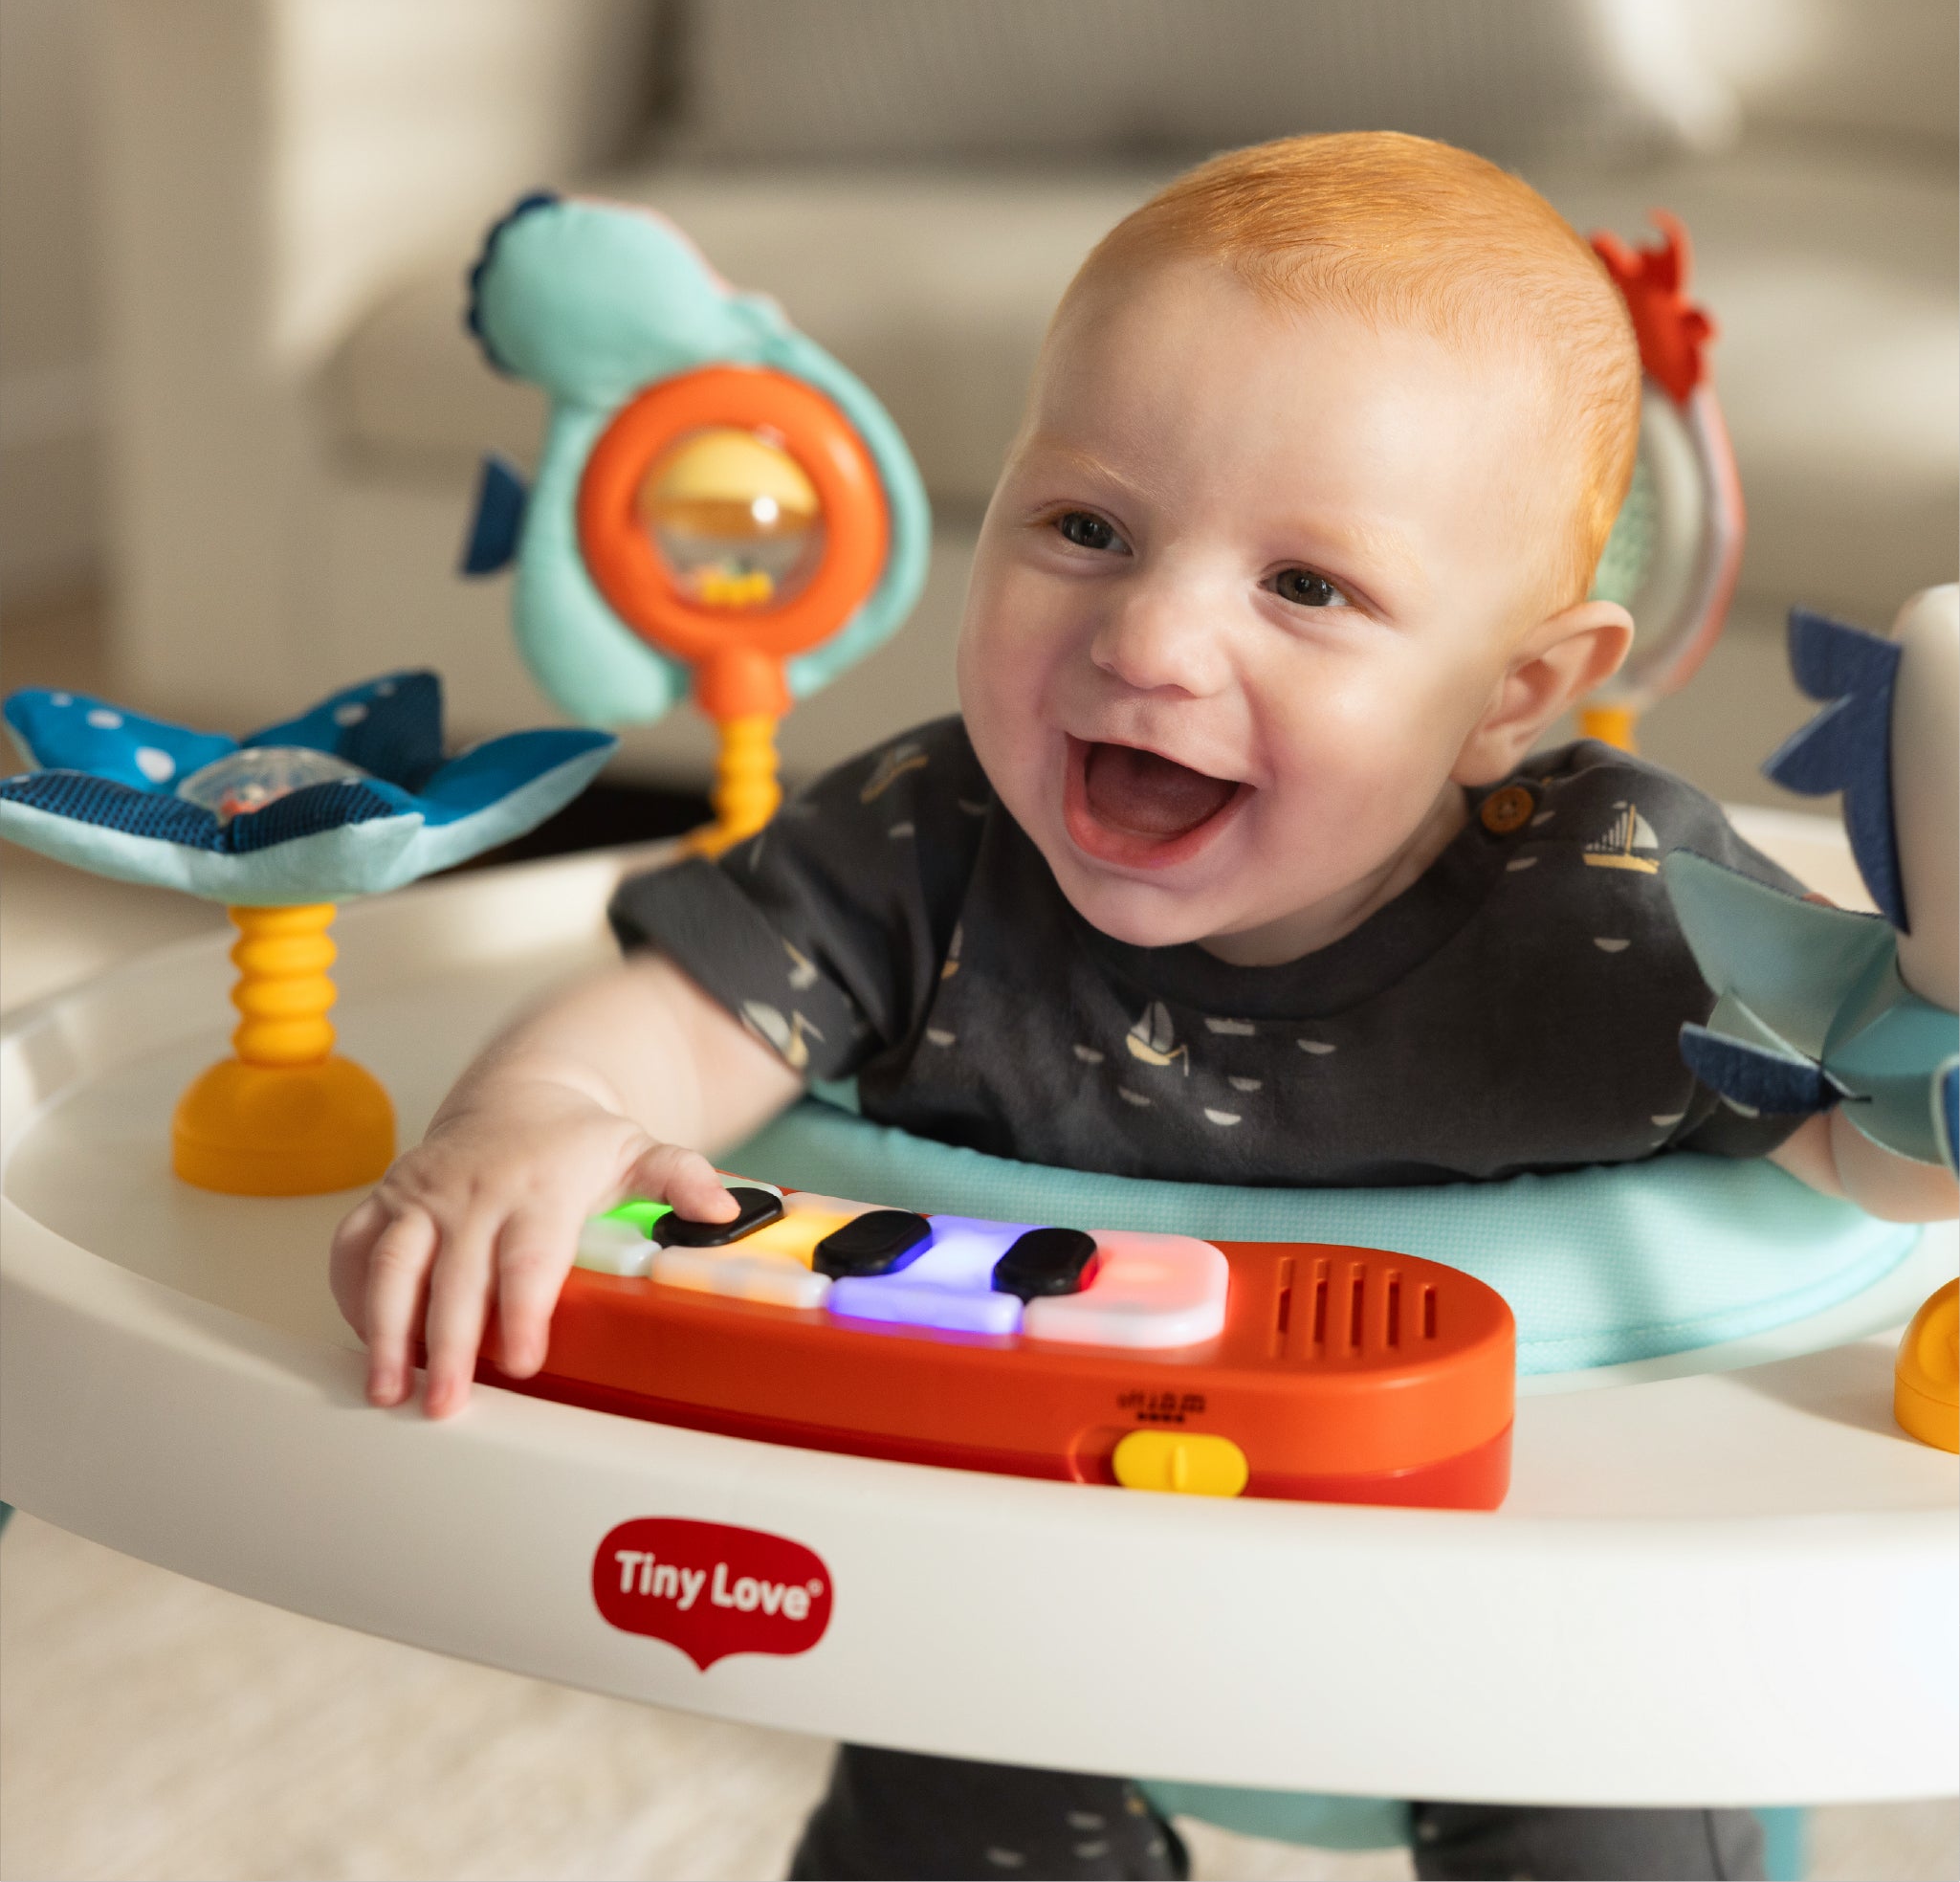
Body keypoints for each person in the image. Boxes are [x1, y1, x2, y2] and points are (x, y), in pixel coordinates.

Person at [330, 133, 1956, 1881]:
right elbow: (674, 1019)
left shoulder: (1622, 910)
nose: (1149, 637)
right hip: (1022, 1567)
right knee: (937, 1816)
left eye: (1306, 585)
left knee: (1616, 1803)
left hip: (1534, 1584)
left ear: (1516, 691)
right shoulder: (930, 840)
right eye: (1085, 527)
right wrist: (537, 1119)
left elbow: (1866, 1147)